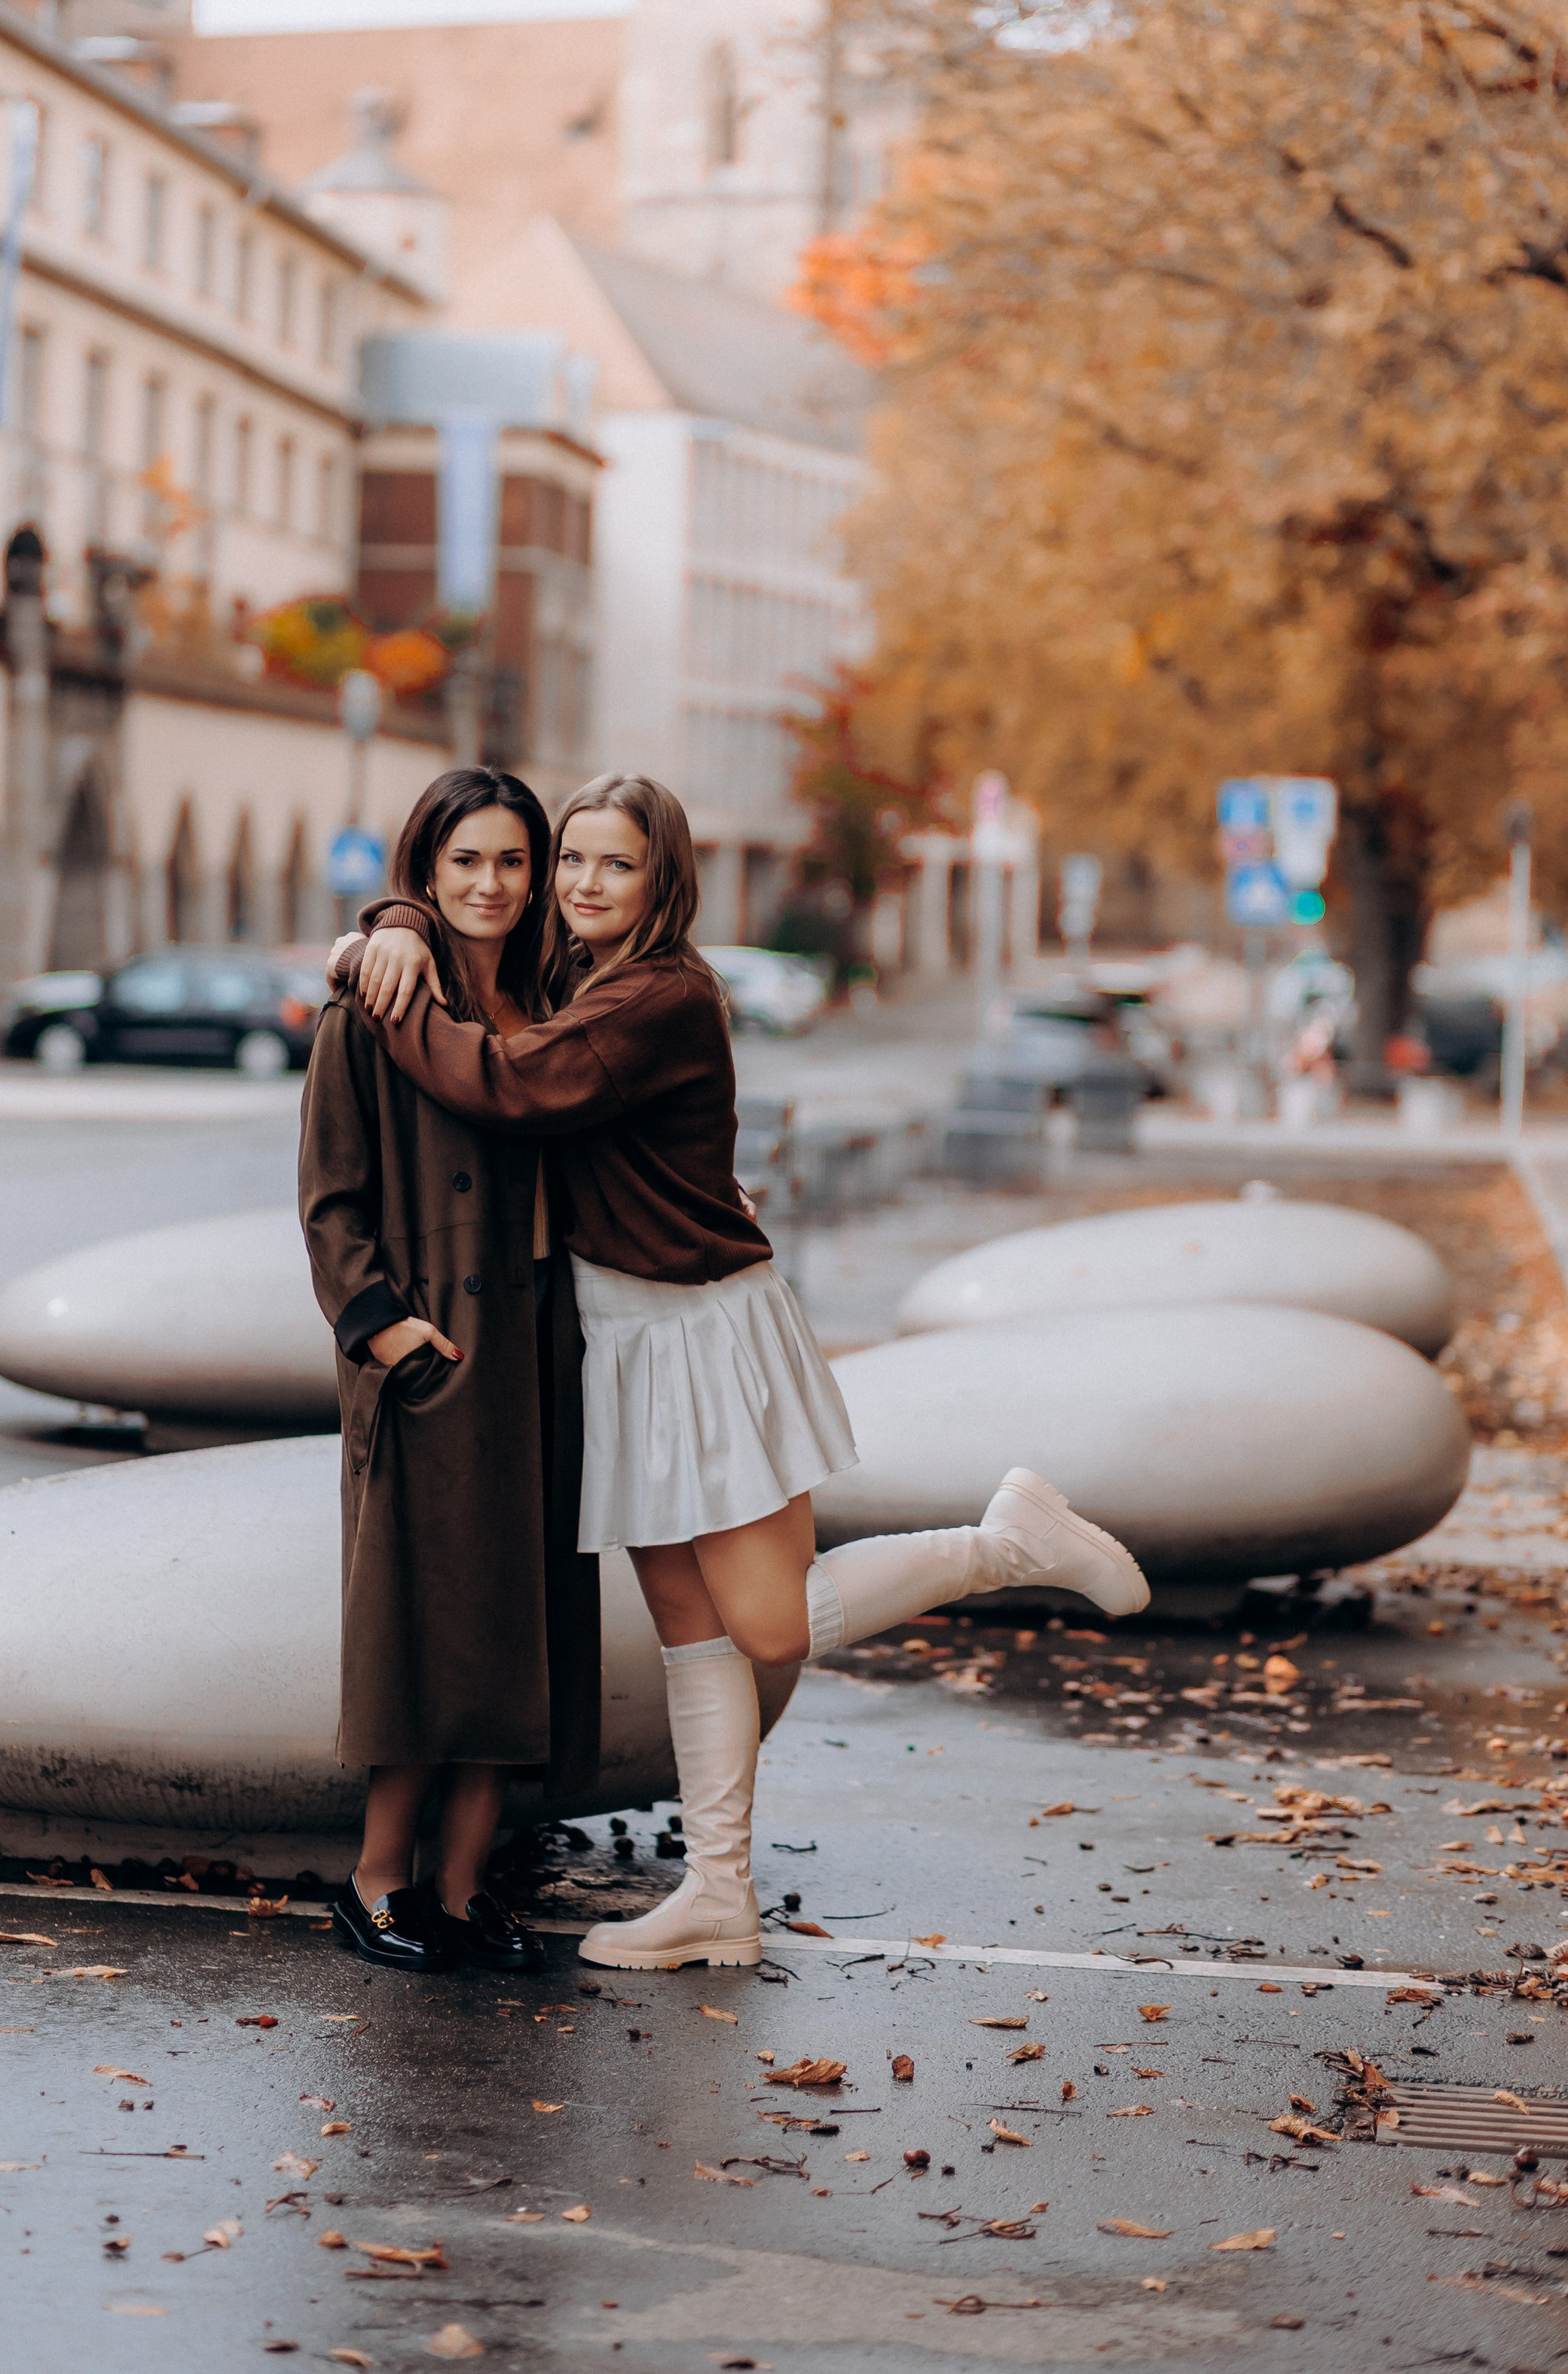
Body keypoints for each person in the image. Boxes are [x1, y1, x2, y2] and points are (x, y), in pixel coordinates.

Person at [332, 772, 1148, 1973]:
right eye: (574, 862)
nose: (582, 883)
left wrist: (375, 973)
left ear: (664, 880)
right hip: (617, 1334)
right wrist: (394, 923)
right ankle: (718, 1895)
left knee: (767, 1623)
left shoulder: (658, 996)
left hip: (701, 1327)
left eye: (616, 864)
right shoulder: (576, 978)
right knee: (688, 1627)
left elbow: (503, 1084)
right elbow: (481, 974)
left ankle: (1005, 1543)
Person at [298, 765, 598, 1981]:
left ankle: (467, 1891)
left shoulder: (560, 995)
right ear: (427, 868)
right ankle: (378, 1882)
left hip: (543, 1349)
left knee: (513, 1633)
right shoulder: (373, 1003)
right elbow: (330, 1199)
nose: (493, 883)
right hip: (434, 1357)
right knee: (418, 1632)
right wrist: (384, 1333)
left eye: (513, 861)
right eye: (465, 861)